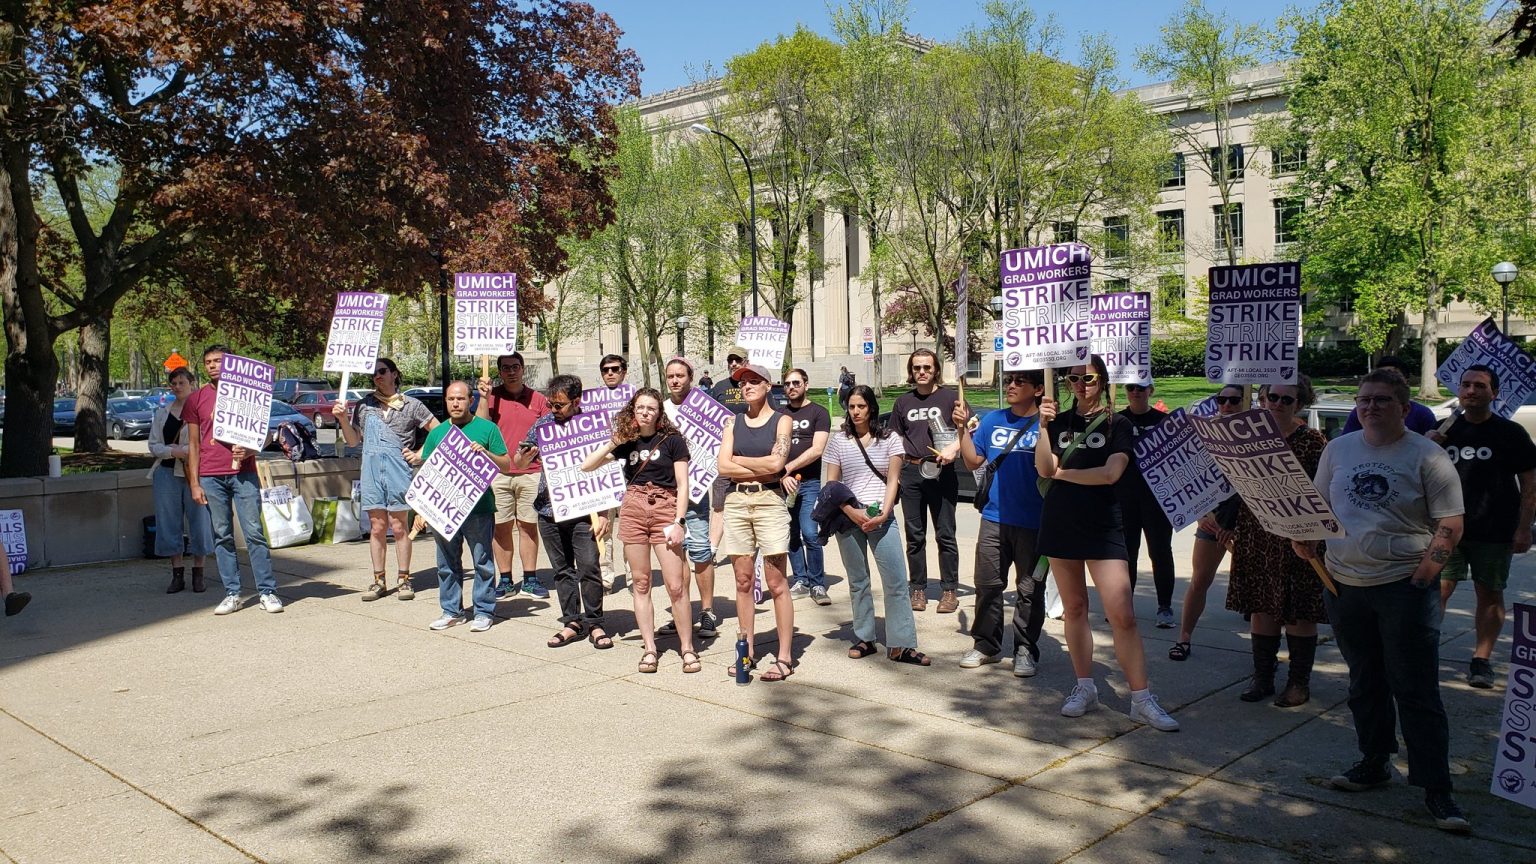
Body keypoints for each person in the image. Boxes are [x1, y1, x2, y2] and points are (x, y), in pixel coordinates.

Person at [1293, 368, 1470, 834]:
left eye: (1382, 400)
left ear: (1404, 407)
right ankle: (1374, 763)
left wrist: (1425, 574)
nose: (1370, 407)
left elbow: (1450, 522)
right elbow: (1319, 506)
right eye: (1363, 399)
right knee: (1364, 681)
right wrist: (1307, 539)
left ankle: (1437, 788)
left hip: (1402, 588)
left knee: (1415, 689)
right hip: (1344, 586)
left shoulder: (1427, 455)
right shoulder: (1338, 448)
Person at [1035, 355, 1178, 732]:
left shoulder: (1120, 423)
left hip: (1104, 526)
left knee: (1122, 614)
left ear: (1102, 381)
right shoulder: (1059, 422)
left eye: (1090, 378)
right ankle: (1085, 687)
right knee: (1075, 608)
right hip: (1061, 522)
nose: (1082, 385)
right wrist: (1042, 426)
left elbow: (1111, 473)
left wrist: (1064, 472)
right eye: (1074, 379)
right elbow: (1043, 469)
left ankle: (1142, 699)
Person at [1429, 364, 1536, 689]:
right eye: (1466, 385)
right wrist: (1425, 444)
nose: (1471, 390)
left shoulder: (1510, 433)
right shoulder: (1441, 431)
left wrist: (1524, 528)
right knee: (1436, 591)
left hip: (1494, 529)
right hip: (1446, 530)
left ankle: (1481, 660)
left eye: (1479, 385)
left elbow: (1530, 484)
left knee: (1489, 593)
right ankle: (1424, 653)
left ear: (1494, 393)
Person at [582, 388, 700, 674]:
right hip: (633, 508)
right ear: (632, 411)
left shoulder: (673, 441)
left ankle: (687, 648)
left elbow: (683, 484)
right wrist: (614, 442)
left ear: (659, 412)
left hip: (664, 507)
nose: (645, 412)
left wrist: (679, 521)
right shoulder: (627, 442)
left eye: (651, 408)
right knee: (641, 582)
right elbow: (587, 466)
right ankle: (650, 648)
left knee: (675, 585)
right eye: (640, 408)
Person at [1227, 377, 1329, 707]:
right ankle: (1263, 678)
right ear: (1262, 398)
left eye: (1287, 400)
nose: (1277, 404)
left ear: (1300, 404)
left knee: (1300, 610)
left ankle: (1299, 683)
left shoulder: (1314, 441)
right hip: (1257, 534)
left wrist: (1313, 534)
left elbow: (1325, 490)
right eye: (1272, 397)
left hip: (1300, 537)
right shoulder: (1249, 438)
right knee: (1261, 605)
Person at [825, 385, 928, 665]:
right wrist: (851, 511)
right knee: (859, 582)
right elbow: (832, 486)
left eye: (861, 406)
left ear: (871, 407)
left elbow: (894, 479)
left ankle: (902, 644)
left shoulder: (890, 439)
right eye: (851, 407)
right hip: (849, 518)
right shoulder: (838, 441)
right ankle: (865, 637)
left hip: (881, 517)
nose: (856, 412)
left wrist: (883, 513)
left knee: (895, 582)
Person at [956, 369, 1047, 675]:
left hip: (1035, 522)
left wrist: (1048, 425)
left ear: (1038, 389)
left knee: (1029, 589)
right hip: (994, 518)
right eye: (1009, 380)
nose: (1011, 385)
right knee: (987, 585)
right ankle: (985, 645)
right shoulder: (993, 420)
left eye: (1020, 381)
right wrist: (961, 431)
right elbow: (973, 461)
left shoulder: (1046, 424)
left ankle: (1024, 648)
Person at [515, 375, 612, 650]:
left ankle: (595, 623)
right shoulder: (544, 425)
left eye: (559, 405)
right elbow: (519, 459)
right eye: (550, 404)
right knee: (562, 571)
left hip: (585, 511)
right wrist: (526, 456)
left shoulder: (592, 426)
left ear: (576, 401)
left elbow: (606, 469)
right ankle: (572, 621)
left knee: (590, 567)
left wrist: (604, 512)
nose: (554, 410)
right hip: (549, 510)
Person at [186, 344, 281, 615]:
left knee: (253, 533)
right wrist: (194, 482)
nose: (213, 365)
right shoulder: (196, 399)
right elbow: (193, 444)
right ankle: (232, 592)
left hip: (244, 473)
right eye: (208, 362)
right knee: (222, 535)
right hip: (211, 475)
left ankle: (267, 591)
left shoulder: (249, 394)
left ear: (232, 364)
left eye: (218, 361)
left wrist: (251, 449)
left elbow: (265, 434)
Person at [716, 361, 796, 682]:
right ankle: (745, 651)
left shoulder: (782, 421)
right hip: (737, 501)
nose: (746, 386)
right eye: (742, 382)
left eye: (753, 381)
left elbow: (778, 464)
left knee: (776, 582)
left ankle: (785, 656)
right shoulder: (732, 422)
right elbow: (723, 467)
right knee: (743, 581)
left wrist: (739, 460)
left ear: (767, 386)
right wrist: (757, 465)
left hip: (769, 501)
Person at [410, 382, 511, 633]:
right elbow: (428, 473)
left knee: (482, 562)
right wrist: (421, 511)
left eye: (461, 399)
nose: (456, 404)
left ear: (471, 400)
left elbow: (507, 465)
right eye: (451, 399)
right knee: (446, 563)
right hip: (443, 511)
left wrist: (486, 453)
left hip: (479, 510)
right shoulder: (437, 433)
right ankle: (452, 611)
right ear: (445, 401)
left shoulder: (487, 429)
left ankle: (484, 611)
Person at [334, 357, 437, 602]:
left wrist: (420, 454)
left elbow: (439, 430)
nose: (377, 377)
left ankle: (404, 579)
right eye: (374, 373)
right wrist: (341, 419)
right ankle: (379, 580)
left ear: (394, 374)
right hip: (370, 470)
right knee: (377, 527)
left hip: (398, 470)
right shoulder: (364, 405)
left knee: (400, 527)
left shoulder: (412, 404)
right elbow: (352, 441)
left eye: (381, 371)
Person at [1169, 383, 1246, 662]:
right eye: (1221, 399)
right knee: (1200, 580)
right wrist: (1203, 515)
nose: (1226, 405)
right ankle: (1184, 638)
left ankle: (1266, 651)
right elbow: (1187, 481)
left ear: (1245, 402)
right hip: (1212, 521)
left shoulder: (1258, 437)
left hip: (1248, 524)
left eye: (1234, 400)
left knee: (1256, 584)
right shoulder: (1203, 436)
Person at [891, 348, 963, 613]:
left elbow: (970, 429)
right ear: (911, 371)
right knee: (915, 536)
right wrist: (895, 476)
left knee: (945, 534)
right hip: (912, 472)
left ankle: (949, 590)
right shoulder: (902, 402)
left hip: (942, 472)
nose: (921, 372)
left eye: (927, 368)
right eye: (917, 368)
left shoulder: (951, 398)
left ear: (936, 371)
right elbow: (896, 441)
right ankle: (918, 588)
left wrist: (954, 448)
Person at [476, 352, 550, 600]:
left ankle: (530, 578)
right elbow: (480, 426)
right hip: (499, 472)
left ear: (522, 369)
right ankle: (505, 580)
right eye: (506, 367)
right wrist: (484, 398)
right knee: (501, 526)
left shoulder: (538, 399)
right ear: (499, 371)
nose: (511, 371)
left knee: (528, 526)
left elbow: (548, 430)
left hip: (531, 472)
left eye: (515, 367)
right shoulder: (492, 397)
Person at [660, 357, 721, 639]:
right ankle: (680, 609)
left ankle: (707, 611)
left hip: (694, 492)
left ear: (690, 377)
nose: (675, 380)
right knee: (675, 554)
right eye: (670, 376)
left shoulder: (706, 409)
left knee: (700, 552)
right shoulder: (660, 410)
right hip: (665, 493)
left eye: (680, 376)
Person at [148, 366, 214, 594]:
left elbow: (205, 443)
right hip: (166, 472)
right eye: (173, 384)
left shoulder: (201, 411)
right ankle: (177, 573)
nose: (177, 387)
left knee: (199, 520)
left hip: (194, 472)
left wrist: (186, 451)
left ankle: (199, 572)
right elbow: (153, 445)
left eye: (181, 383)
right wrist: (171, 452)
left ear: (192, 383)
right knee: (168, 523)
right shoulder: (162, 412)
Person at [1116, 380, 1176, 628]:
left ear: (1151, 390)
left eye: (1141, 387)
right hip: (1124, 498)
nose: (1136, 392)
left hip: (1158, 500)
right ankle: (1124, 606)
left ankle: (1165, 606)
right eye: (1131, 387)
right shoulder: (1117, 421)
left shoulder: (1165, 421)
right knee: (1126, 554)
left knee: (1160, 553)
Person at [781, 369, 832, 605]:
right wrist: (782, 475)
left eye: (796, 383)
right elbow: (773, 449)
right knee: (790, 534)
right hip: (784, 484)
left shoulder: (818, 413)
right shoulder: (779, 415)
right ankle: (800, 580)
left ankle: (818, 583)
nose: (791, 387)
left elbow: (817, 449)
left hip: (809, 483)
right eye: (787, 384)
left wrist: (788, 467)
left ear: (806, 384)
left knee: (810, 533)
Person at [595, 353, 629, 593]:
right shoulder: (591, 401)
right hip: (602, 470)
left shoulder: (634, 397)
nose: (610, 373)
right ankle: (605, 578)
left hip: (629, 468)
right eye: (606, 369)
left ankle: (633, 577)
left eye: (615, 369)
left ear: (623, 372)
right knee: (603, 528)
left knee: (629, 528)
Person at [1340, 356, 1438, 435]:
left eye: (1393, 376)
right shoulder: (1361, 412)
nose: (1371, 407)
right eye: (1381, 376)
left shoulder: (1422, 413)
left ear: (1405, 410)